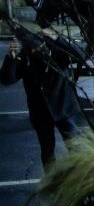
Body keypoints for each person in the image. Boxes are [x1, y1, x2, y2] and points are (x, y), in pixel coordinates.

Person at [1, 26, 83, 167]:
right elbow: (7, 79)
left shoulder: (58, 54)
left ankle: (80, 179)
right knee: (47, 151)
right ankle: (51, 181)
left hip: (63, 108)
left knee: (75, 148)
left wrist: (57, 38)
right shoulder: (25, 58)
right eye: (32, 49)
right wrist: (11, 58)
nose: (35, 51)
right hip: (40, 112)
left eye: (37, 48)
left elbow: (80, 54)